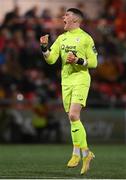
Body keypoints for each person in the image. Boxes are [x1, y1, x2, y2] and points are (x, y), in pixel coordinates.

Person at [40, 8, 98, 175]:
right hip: (66, 82)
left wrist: (78, 60)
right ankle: (83, 154)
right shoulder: (62, 38)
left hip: (81, 79)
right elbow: (51, 59)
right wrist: (44, 47)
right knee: (73, 119)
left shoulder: (86, 38)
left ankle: (80, 154)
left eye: (67, 15)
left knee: (73, 115)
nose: (63, 17)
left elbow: (94, 62)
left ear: (75, 20)